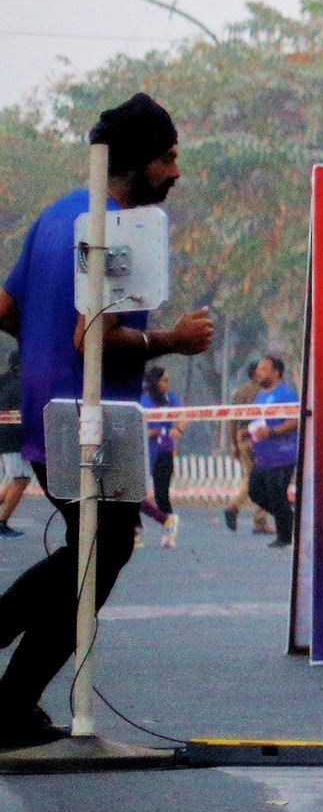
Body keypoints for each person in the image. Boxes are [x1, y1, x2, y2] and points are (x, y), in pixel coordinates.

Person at [0, 94, 215, 750]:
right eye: (168, 158)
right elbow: (95, 335)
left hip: (46, 416)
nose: (176, 172)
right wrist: (174, 341)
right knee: (103, 550)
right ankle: (10, 702)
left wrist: (40, 353)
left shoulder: (57, 214)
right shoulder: (125, 228)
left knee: (94, 549)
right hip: (89, 422)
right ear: (139, 161)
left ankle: (12, 705)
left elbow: (6, 306)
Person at [242, 355, 300, 550]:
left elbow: (295, 421)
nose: (258, 373)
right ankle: (290, 519)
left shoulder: (286, 395)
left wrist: (272, 432)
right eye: (258, 369)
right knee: (255, 491)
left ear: (276, 373)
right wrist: (248, 432)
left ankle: (285, 537)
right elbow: (259, 422)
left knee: (277, 495)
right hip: (263, 457)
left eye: (263, 369)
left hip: (282, 455)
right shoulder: (261, 396)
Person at [138, 364, 182, 548]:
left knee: (161, 494)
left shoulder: (170, 398)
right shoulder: (142, 399)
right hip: (144, 453)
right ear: (154, 382)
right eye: (164, 380)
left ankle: (169, 524)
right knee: (135, 493)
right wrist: (148, 433)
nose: (167, 384)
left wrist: (178, 429)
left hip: (164, 451)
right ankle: (135, 528)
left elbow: (184, 415)